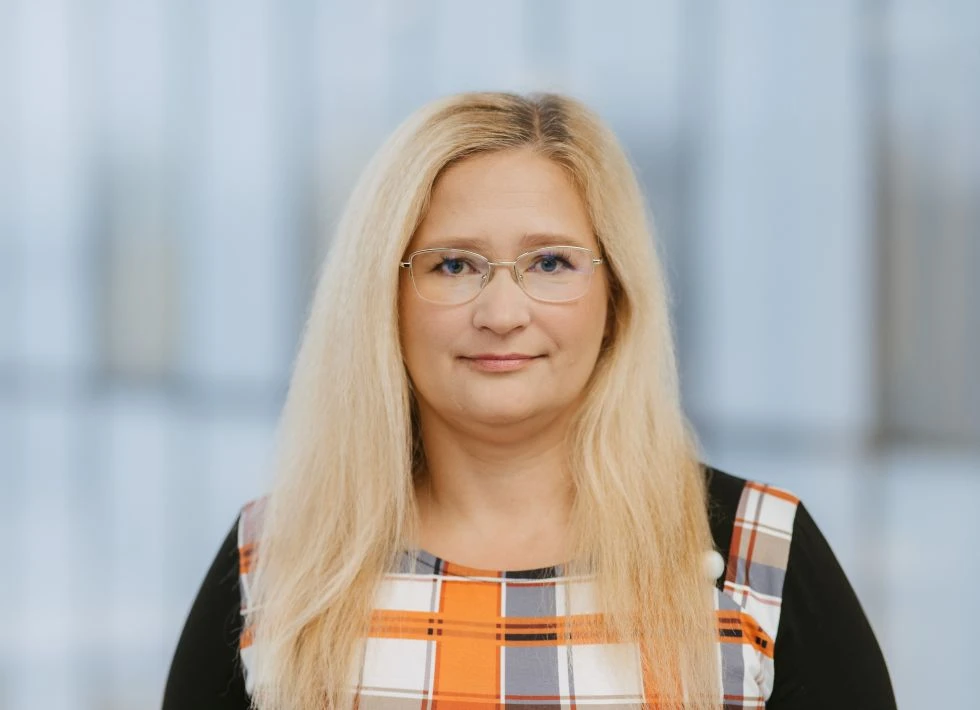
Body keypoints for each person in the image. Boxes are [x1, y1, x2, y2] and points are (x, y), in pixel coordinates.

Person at [162, 92, 896, 710]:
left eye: (550, 262)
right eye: (454, 265)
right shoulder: (278, 561)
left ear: (616, 296)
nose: (503, 313)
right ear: (383, 298)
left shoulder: (759, 555)